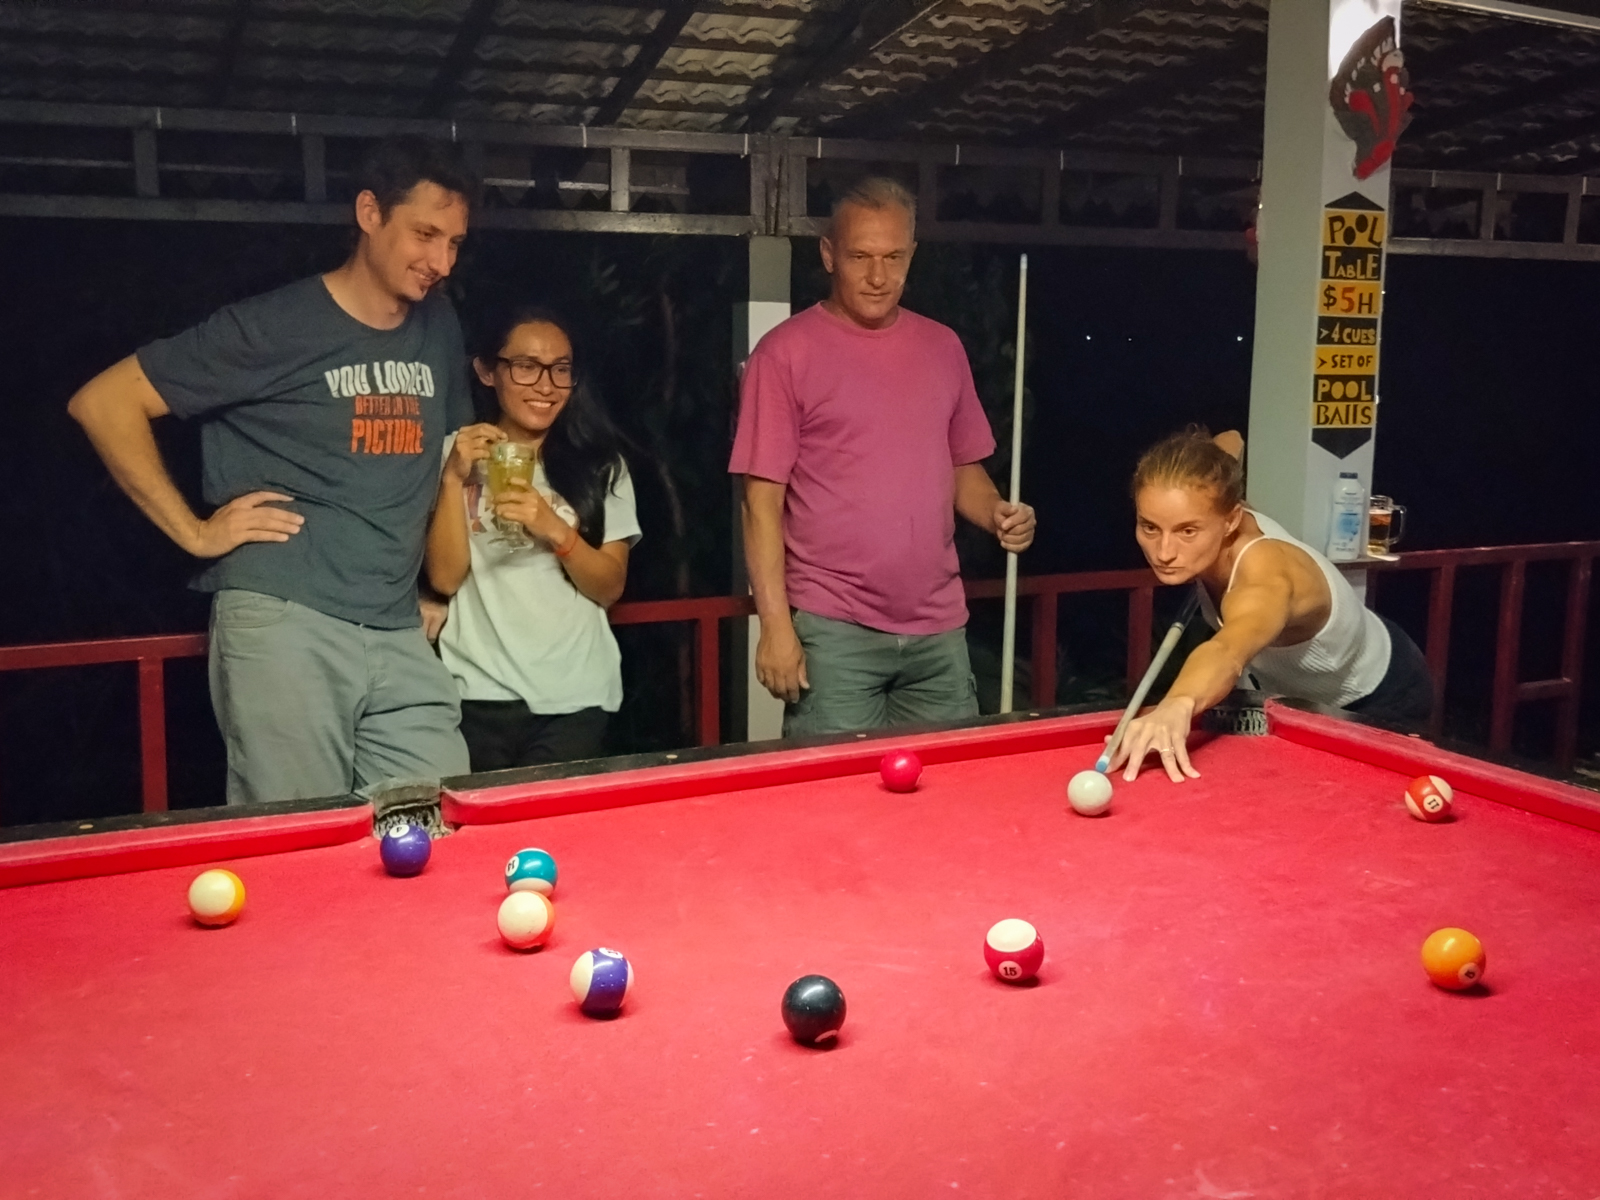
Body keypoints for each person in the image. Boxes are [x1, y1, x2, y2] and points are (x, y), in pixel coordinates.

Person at [67, 137, 479, 804]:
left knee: (429, 823)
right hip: (289, 619)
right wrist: (196, 532)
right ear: (369, 213)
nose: (441, 262)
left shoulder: (439, 325)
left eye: (455, 242)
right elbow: (105, 403)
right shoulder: (274, 325)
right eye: (425, 234)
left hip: (399, 627)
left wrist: (434, 590)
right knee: (300, 845)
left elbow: (439, 465)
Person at [730, 176, 1037, 737]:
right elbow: (760, 503)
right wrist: (775, 627)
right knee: (837, 809)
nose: (878, 276)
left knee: (947, 802)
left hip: (939, 630)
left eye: (893, 257)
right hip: (834, 630)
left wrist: (996, 513)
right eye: (860, 256)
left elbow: (962, 468)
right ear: (828, 255)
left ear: (912, 254)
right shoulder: (785, 353)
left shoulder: (943, 347)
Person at [1109, 430, 1434, 782]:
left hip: (1383, 695)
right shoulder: (1214, 492)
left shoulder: (1264, 575)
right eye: (1150, 527)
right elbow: (1229, 441)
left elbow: (1228, 649)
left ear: (1232, 519)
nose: (1164, 551)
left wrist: (1177, 704)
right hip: (1298, 699)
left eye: (1188, 531)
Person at [425, 308, 640, 770]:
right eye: (526, 367)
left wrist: (556, 530)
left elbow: (609, 586)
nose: (545, 385)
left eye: (561, 369)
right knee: (487, 835)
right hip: (476, 691)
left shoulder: (601, 464)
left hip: (576, 695)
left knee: (554, 835)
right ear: (487, 370)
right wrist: (452, 481)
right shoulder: (452, 456)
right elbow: (443, 578)